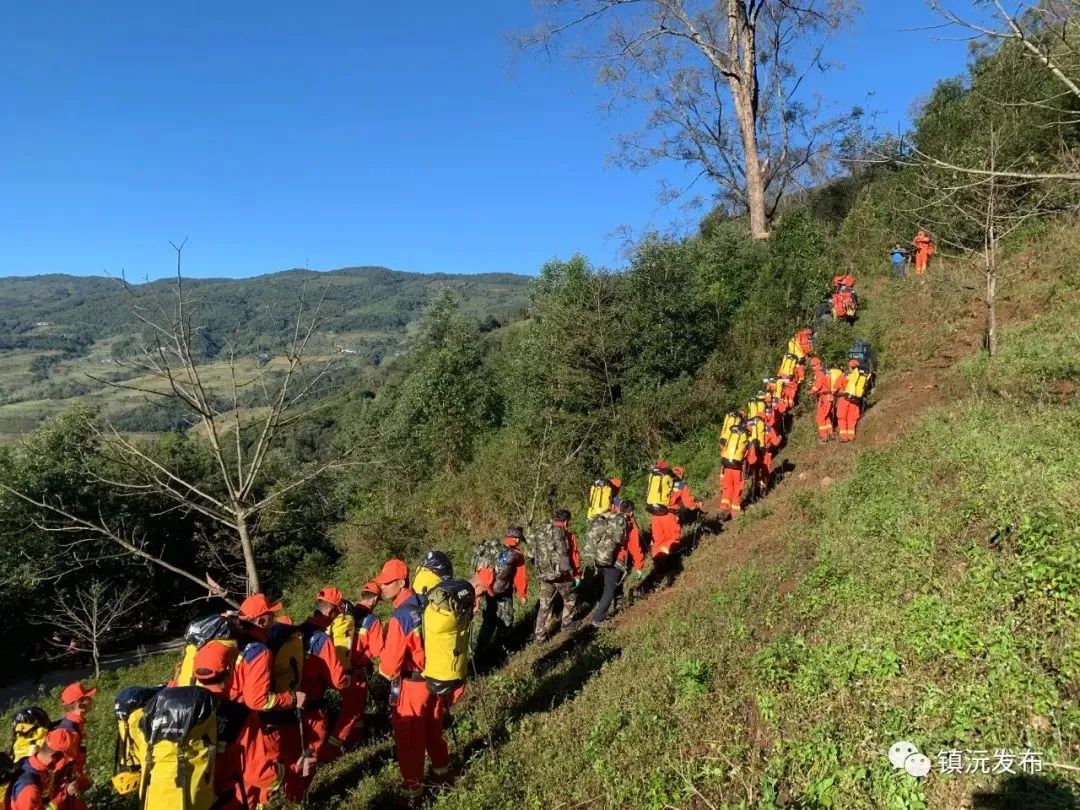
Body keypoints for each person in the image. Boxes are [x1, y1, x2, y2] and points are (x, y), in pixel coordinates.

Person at [375, 558, 454, 802]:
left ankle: (413, 794)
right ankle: (444, 776)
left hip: (411, 687)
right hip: (434, 680)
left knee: (409, 740)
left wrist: (382, 664)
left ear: (401, 581)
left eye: (388, 583)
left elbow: (389, 667)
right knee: (433, 730)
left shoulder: (401, 616)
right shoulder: (424, 602)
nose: (383, 587)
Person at [230, 593, 306, 808]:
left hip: (230, 723)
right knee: (263, 775)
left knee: (242, 782)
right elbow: (258, 700)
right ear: (261, 620)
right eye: (271, 616)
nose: (274, 620)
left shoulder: (236, 644)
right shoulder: (260, 651)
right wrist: (291, 697)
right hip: (251, 725)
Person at [297, 587, 350, 782]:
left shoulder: (298, 632)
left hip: (292, 705)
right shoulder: (321, 640)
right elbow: (337, 680)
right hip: (313, 708)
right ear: (331, 612)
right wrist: (348, 681)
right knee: (310, 755)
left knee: (293, 754)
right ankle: (302, 796)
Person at [325, 581, 384, 759]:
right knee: (353, 710)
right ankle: (330, 751)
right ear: (375, 599)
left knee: (355, 708)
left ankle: (356, 741)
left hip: (337, 669)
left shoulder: (345, 615)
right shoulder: (372, 620)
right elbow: (377, 649)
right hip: (356, 671)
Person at [473, 527, 528, 662]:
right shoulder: (516, 554)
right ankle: (502, 650)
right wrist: (522, 594)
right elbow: (520, 576)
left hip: (487, 592)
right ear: (516, 539)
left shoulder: (492, 550)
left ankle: (479, 652)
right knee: (506, 621)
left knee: (488, 622)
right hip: (504, 594)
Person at [590, 499, 645, 627]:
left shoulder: (611, 519)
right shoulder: (629, 525)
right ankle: (598, 618)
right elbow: (635, 548)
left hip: (602, 557)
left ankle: (614, 605)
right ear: (631, 513)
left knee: (608, 586)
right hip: (615, 561)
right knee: (610, 589)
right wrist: (639, 567)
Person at [532, 510, 581, 643]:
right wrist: (576, 574)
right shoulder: (567, 535)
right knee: (570, 597)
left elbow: (534, 554)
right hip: (562, 575)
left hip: (545, 575)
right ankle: (566, 622)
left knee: (545, 605)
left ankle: (539, 635)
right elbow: (574, 556)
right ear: (566, 521)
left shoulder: (543, 533)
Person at [650, 466, 701, 588]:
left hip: (655, 517)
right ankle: (670, 567)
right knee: (672, 541)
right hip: (669, 516)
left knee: (658, 542)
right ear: (682, 475)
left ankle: (658, 567)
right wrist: (697, 505)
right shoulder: (681, 485)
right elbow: (689, 504)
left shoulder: (660, 482)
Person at [4, 728, 79, 810]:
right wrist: (64, 794)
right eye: (66, 760)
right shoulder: (30, 789)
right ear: (55, 757)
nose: (65, 764)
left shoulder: (29, 762)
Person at [52, 682, 95, 810]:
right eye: (88, 697)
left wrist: (80, 777)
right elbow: (53, 768)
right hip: (58, 794)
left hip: (69, 787)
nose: (91, 700)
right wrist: (65, 790)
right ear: (80, 703)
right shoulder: (66, 733)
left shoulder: (77, 726)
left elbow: (74, 761)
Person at [836, 358, 872, 442]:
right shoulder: (862, 376)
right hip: (855, 400)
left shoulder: (844, 375)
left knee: (842, 417)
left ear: (850, 366)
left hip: (844, 399)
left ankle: (843, 437)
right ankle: (851, 436)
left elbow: (836, 386)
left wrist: (834, 393)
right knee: (852, 418)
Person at [719, 422, 749, 517]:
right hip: (737, 468)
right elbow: (747, 456)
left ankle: (724, 507)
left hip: (727, 466)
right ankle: (735, 510)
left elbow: (723, 450)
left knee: (727, 487)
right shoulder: (745, 441)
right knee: (737, 487)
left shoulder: (731, 436)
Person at [808, 357, 835, 442]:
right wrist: (813, 384)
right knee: (826, 416)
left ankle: (824, 436)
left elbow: (818, 385)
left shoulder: (819, 373)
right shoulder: (825, 371)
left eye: (813, 366)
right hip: (828, 396)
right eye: (812, 366)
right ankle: (830, 433)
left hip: (824, 397)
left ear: (818, 365)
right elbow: (823, 383)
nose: (812, 368)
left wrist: (811, 391)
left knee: (820, 417)